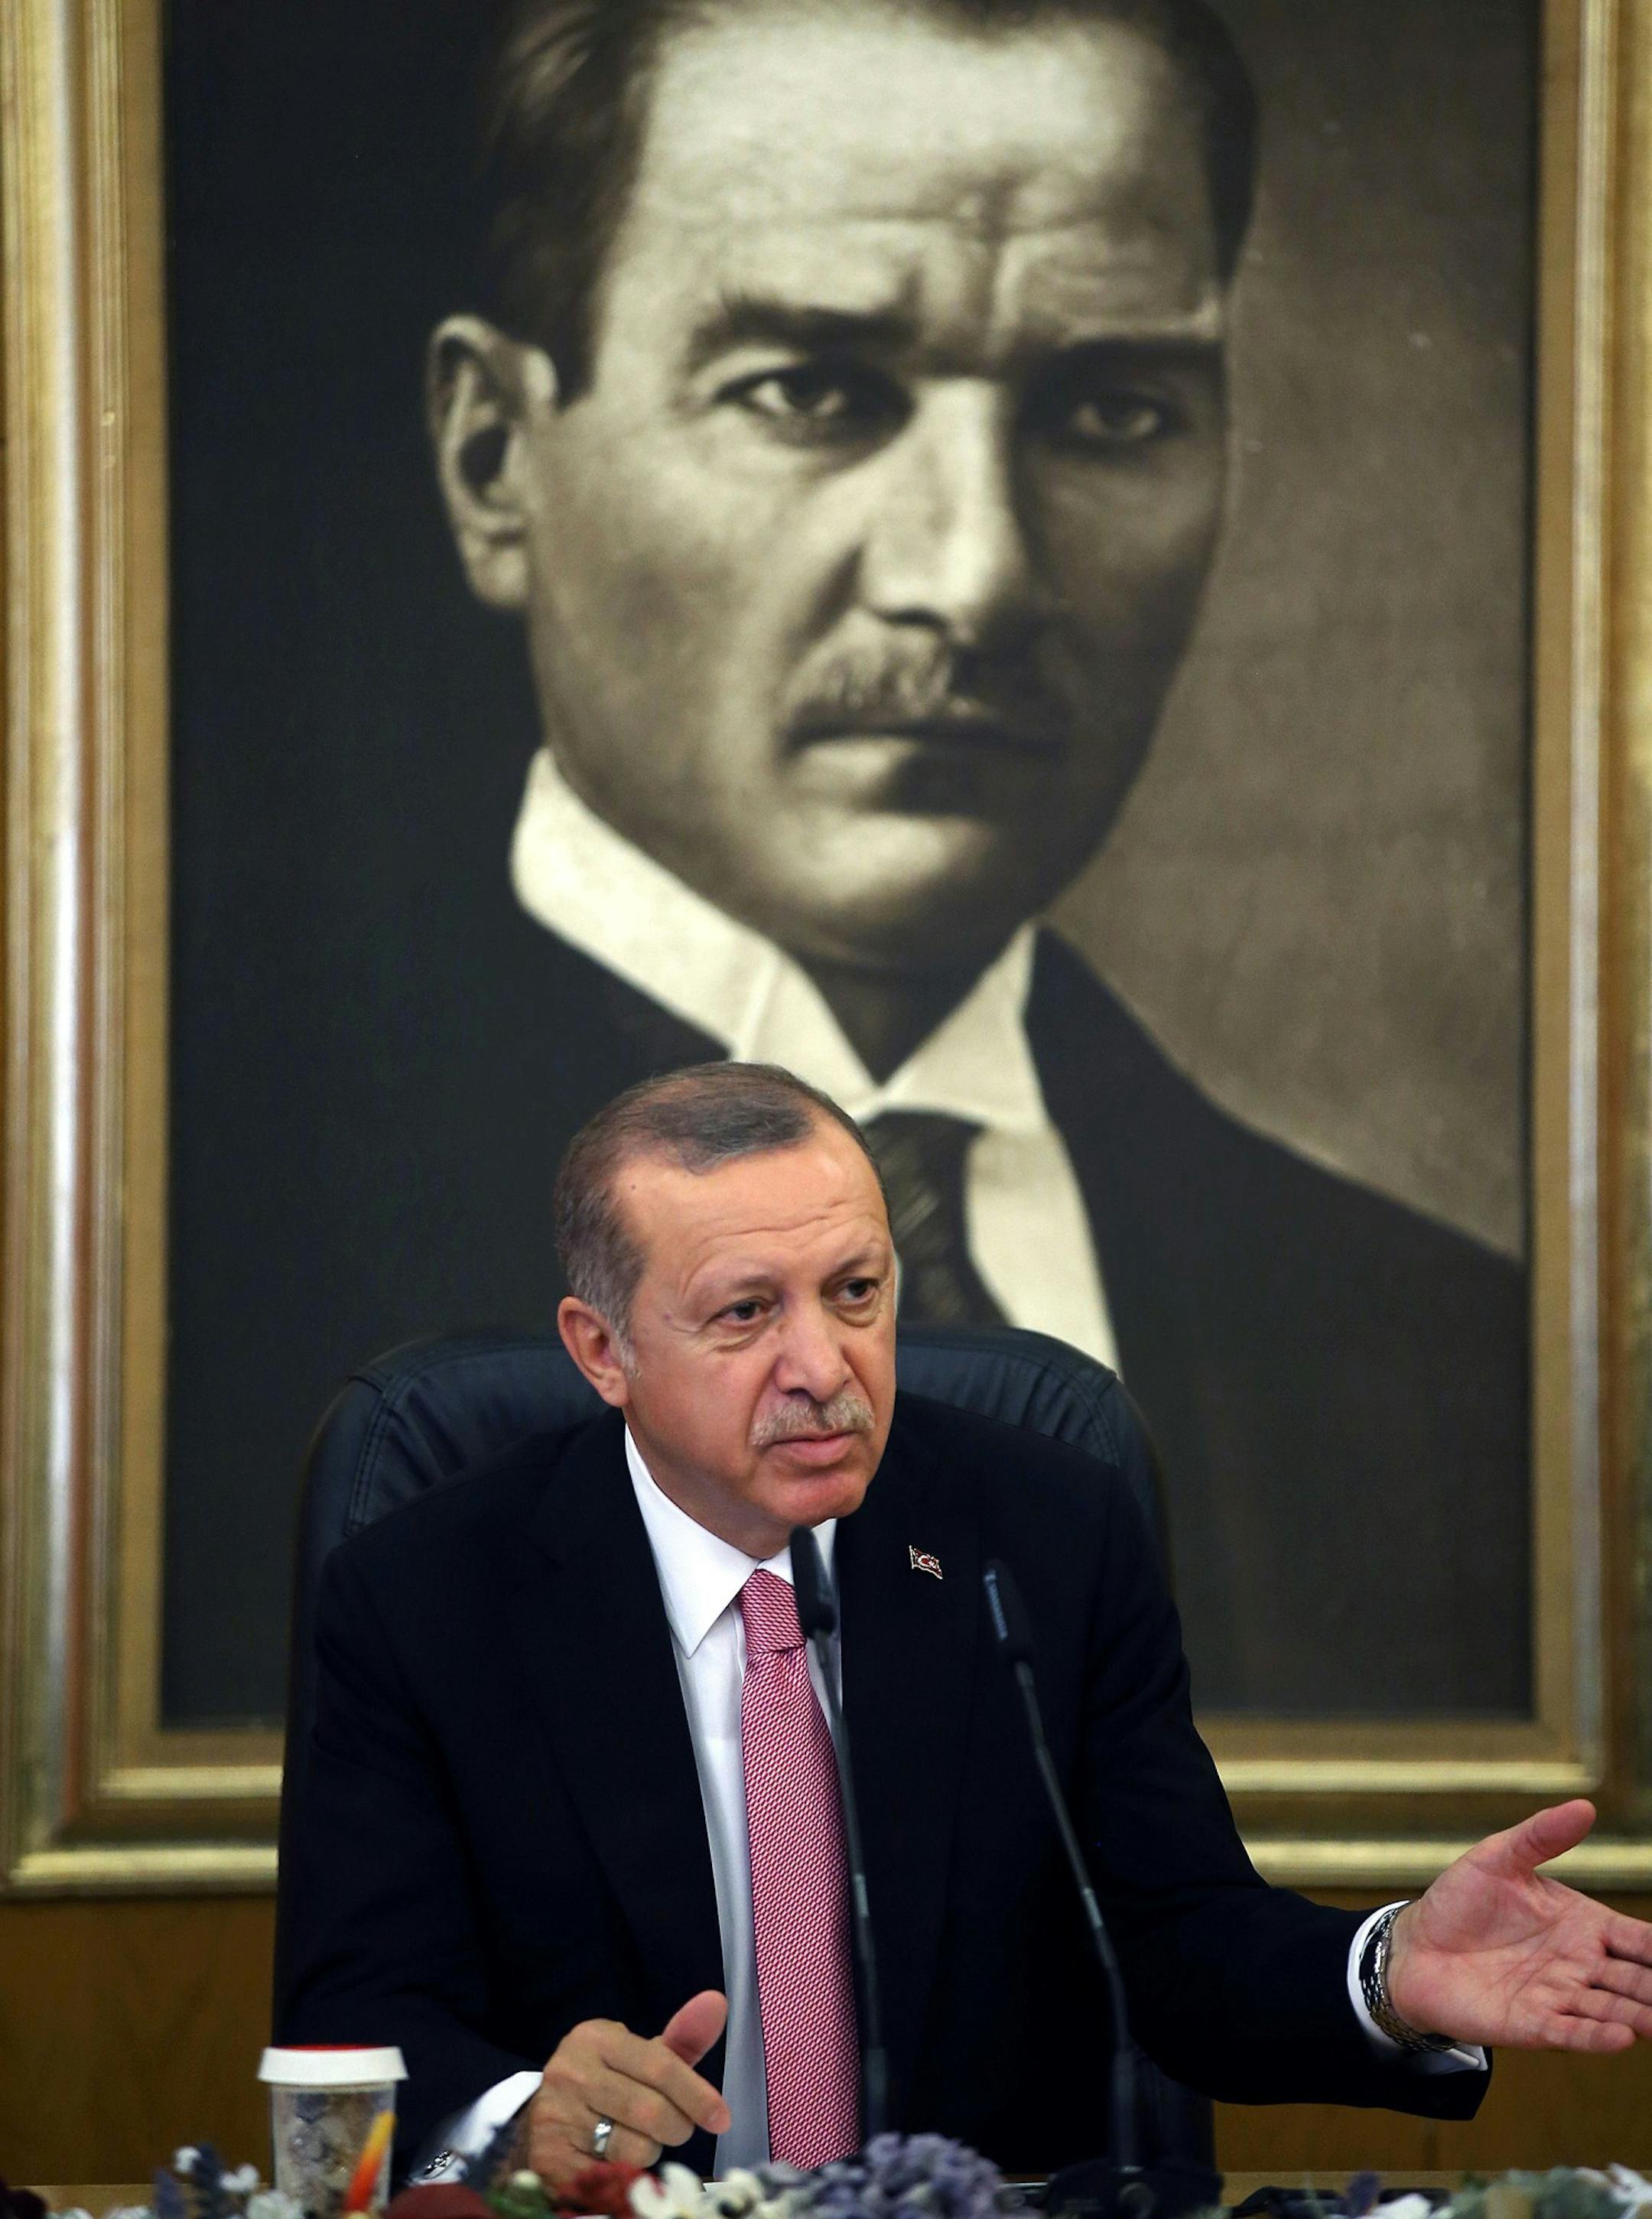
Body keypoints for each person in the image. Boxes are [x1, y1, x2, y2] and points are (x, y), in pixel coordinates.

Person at [410, 0, 1527, 1717]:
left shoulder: (1448, 1348)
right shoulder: (208, 1265)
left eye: (1111, 409)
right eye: (810, 390)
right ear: (496, 462)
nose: (980, 575)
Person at [275, 1065, 1650, 2195]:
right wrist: (522, 2108)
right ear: (602, 1350)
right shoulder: (427, 1594)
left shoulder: (1039, 1534)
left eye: (857, 1292)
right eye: (748, 1312)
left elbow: (1175, 1939)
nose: (824, 1368)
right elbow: (353, 2013)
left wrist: (1391, 1970)